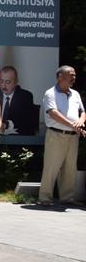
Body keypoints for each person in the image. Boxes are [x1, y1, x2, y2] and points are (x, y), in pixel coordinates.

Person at [38, 65, 85, 206]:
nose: (74, 77)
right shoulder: (50, 93)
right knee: (51, 167)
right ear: (60, 77)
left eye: (74, 75)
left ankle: (67, 198)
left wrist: (80, 122)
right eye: (71, 75)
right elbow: (53, 113)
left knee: (70, 168)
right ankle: (44, 198)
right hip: (56, 135)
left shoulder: (75, 94)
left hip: (73, 136)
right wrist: (73, 125)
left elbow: (83, 112)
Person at [0, 66, 36, 136]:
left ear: (16, 82)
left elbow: (27, 121)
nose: (4, 86)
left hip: (16, 137)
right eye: (2, 81)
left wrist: (6, 125)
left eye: (8, 82)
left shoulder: (25, 96)